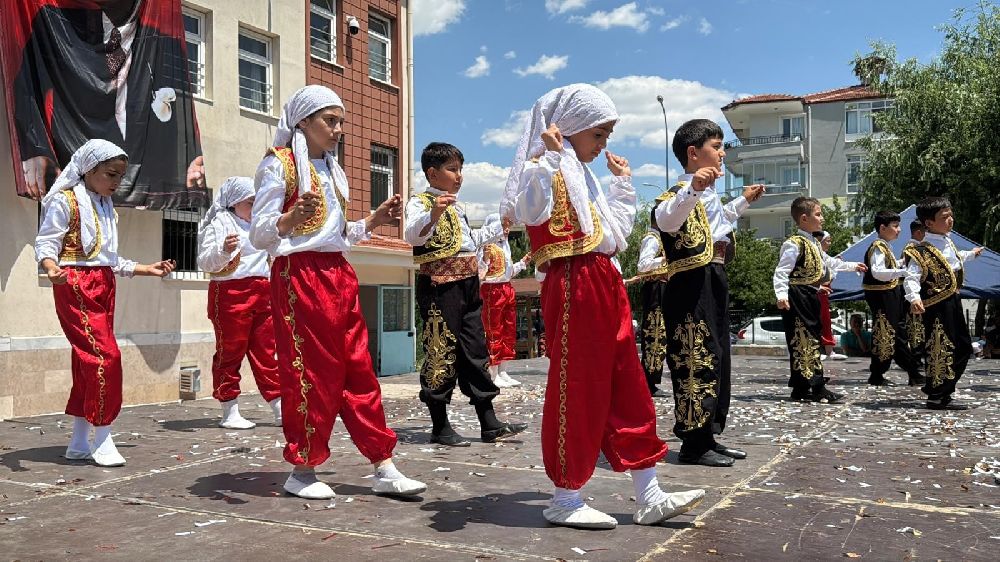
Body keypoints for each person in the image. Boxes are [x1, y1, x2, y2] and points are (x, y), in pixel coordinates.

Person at [503, 84, 705, 530]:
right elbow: (528, 210)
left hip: (602, 280)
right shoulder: (546, 167)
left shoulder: (584, 175)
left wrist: (622, 184)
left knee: (626, 384)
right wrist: (550, 157)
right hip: (574, 280)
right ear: (570, 129)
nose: (604, 145)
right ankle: (565, 495)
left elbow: (613, 233)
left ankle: (648, 492)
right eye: (599, 134)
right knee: (579, 386)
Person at [249, 85, 425, 500]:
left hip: (338, 273)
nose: (339, 129)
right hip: (299, 276)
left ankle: (383, 464)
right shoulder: (279, 166)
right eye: (331, 120)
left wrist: (376, 219)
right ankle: (303, 469)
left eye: (340, 121)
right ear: (304, 122)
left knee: (359, 368)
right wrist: (290, 217)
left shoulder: (332, 169)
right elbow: (259, 234)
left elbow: (339, 234)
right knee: (312, 372)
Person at [34, 139, 176, 466]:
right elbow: (46, 243)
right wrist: (51, 267)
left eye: (119, 177)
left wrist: (144, 268)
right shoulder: (65, 201)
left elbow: (108, 259)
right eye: (111, 174)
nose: (116, 182)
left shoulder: (104, 205)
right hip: (76, 283)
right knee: (105, 357)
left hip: (103, 283)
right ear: (89, 170)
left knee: (88, 360)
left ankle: (79, 440)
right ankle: (103, 434)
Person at [9, 0, 206, 206]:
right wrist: (37, 148)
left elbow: (177, 115)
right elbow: (25, 88)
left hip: (141, 176)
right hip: (74, 167)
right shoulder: (58, 25)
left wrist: (185, 162)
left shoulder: (166, 46)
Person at [651, 119, 764, 468]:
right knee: (695, 357)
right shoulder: (677, 194)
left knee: (717, 355)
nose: (723, 153)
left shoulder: (708, 194)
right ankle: (693, 443)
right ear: (693, 153)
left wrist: (742, 202)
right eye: (716, 146)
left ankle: (708, 434)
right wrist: (693, 189)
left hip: (713, 275)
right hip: (689, 282)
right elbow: (665, 220)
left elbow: (717, 223)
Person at [403, 143, 527, 448]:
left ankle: (489, 422)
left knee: (475, 350)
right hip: (440, 286)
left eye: (460, 169)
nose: (459, 176)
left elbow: (470, 242)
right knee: (440, 349)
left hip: (469, 283)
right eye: (452, 169)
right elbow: (412, 235)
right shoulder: (420, 203)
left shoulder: (457, 207)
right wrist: (433, 214)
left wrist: (499, 227)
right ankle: (440, 425)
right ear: (433, 173)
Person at [197, 177, 282, 429]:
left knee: (267, 351)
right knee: (230, 352)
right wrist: (223, 250)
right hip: (230, 292)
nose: (255, 207)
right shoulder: (219, 222)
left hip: (262, 291)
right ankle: (229, 409)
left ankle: (279, 407)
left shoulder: (257, 225)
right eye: (250, 202)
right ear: (234, 202)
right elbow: (205, 262)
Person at [774, 197, 866, 403]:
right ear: (804, 218)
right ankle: (816, 386)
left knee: (809, 339)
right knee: (804, 340)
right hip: (797, 295)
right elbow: (781, 271)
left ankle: (800, 387)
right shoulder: (794, 243)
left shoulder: (813, 243)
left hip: (810, 293)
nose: (822, 218)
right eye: (818, 214)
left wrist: (852, 266)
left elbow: (828, 262)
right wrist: (781, 295)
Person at [903, 196, 983, 410]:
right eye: (944, 217)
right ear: (929, 223)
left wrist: (973, 254)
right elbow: (911, 277)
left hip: (952, 301)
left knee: (963, 347)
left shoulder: (947, 243)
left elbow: (955, 259)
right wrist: (914, 297)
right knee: (941, 348)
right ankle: (937, 395)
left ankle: (942, 390)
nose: (951, 220)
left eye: (951, 215)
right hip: (936, 306)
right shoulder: (920, 251)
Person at [861, 210, 925, 386]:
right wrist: (904, 271)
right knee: (889, 334)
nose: (899, 230)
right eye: (895, 226)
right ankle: (906, 372)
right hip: (882, 295)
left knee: (895, 333)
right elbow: (878, 272)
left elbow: (888, 267)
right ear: (883, 228)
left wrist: (901, 263)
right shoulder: (878, 247)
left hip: (890, 294)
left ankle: (897, 372)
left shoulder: (885, 247)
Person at [477, 213, 530, 388]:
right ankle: (493, 372)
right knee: (494, 330)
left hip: (506, 288)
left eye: (507, 226)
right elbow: (480, 272)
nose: (507, 230)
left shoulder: (505, 246)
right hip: (492, 290)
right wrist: (484, 259)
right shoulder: (486, 246)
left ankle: (503, 371)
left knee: (509, 329)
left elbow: (506, 272)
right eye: (504, 225)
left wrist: (522, 263)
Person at [634, 229, 670, 398]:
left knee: (660, 338)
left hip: (662, 288)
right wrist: (664, 259)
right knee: (654, 335)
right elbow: (643, 265)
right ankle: (648, 381)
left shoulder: (661, 239)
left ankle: (651, 380)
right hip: (655, 289)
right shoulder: (652, 238)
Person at [815, 232, 846, 361]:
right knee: (815, 321)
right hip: (813, 292)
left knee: (826, 321)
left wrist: (837, 262)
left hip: (823, 293)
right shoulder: (814, 255)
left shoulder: (824, 256)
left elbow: (830, 273)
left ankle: (829, 350)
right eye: (827, 241)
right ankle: (817, 350)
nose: (829, 243)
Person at [902, 220, 927, 366]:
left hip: (917, 292)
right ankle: (916, 358)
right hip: (915, 293)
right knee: (916, 327)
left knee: (918, 326)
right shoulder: (913, 248)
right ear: (918, 232)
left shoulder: (912, 247)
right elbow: (912, 274)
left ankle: (917, 357)